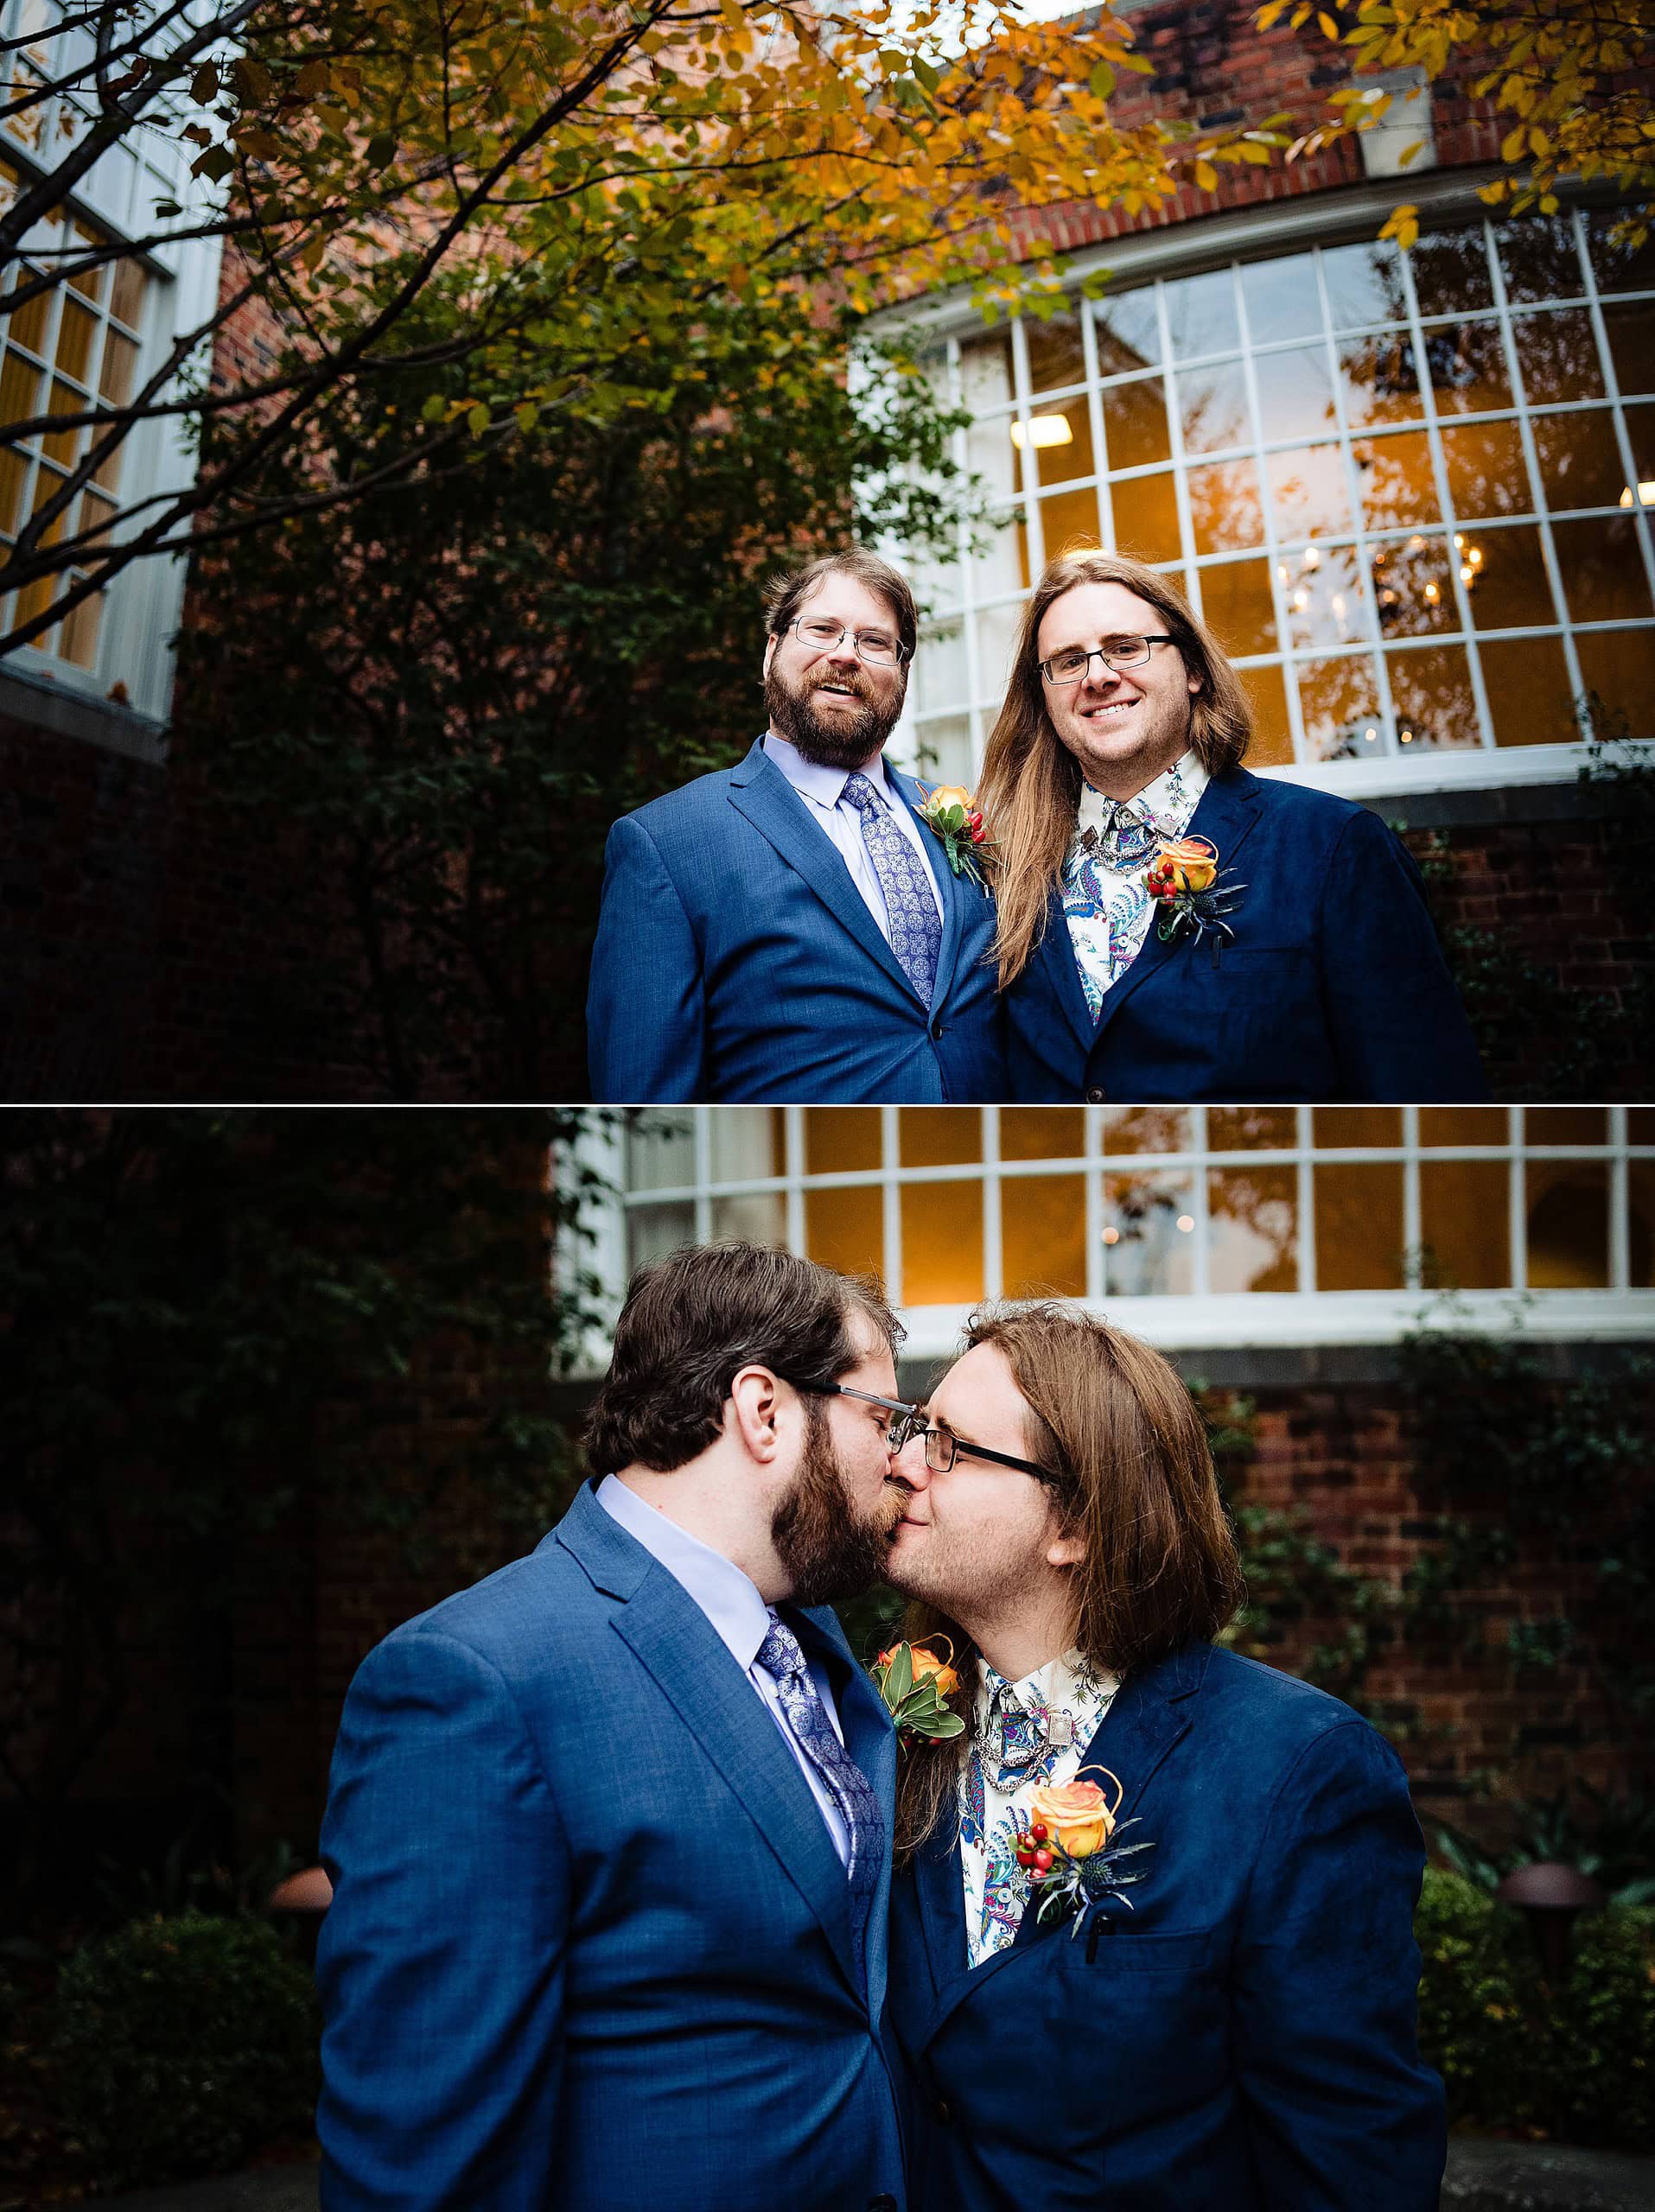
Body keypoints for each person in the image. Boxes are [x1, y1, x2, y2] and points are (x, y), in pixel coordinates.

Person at [315, 1241, 912, 2212]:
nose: (899, 1457)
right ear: (765, 1411)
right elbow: (427, 2151)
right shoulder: (474, 1680)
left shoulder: (811, 1639)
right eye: (881, 1416)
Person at [881, 1301, 1447, 2211]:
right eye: (913, 1428)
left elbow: (1350, 2159)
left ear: (1077, 1526)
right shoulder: (892, 1733)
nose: (898, 1462)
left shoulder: (1296, 1772)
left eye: (947, 1444)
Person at [982, 548, 1486, 1102]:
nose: (1098, 676)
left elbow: (1424, 1097)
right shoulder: (1008, 877)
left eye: (1126, 649)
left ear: (1193, 669)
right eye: (1068, 662)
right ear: (1045, 696)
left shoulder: (1334, 846)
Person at [586, 550, 1004, 1103]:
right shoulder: (666, 844)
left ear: (903, 673)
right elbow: (647, 1098)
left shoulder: (961, 819)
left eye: (875, 642)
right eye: (823, 630)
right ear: (771, 652)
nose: (846, 656)